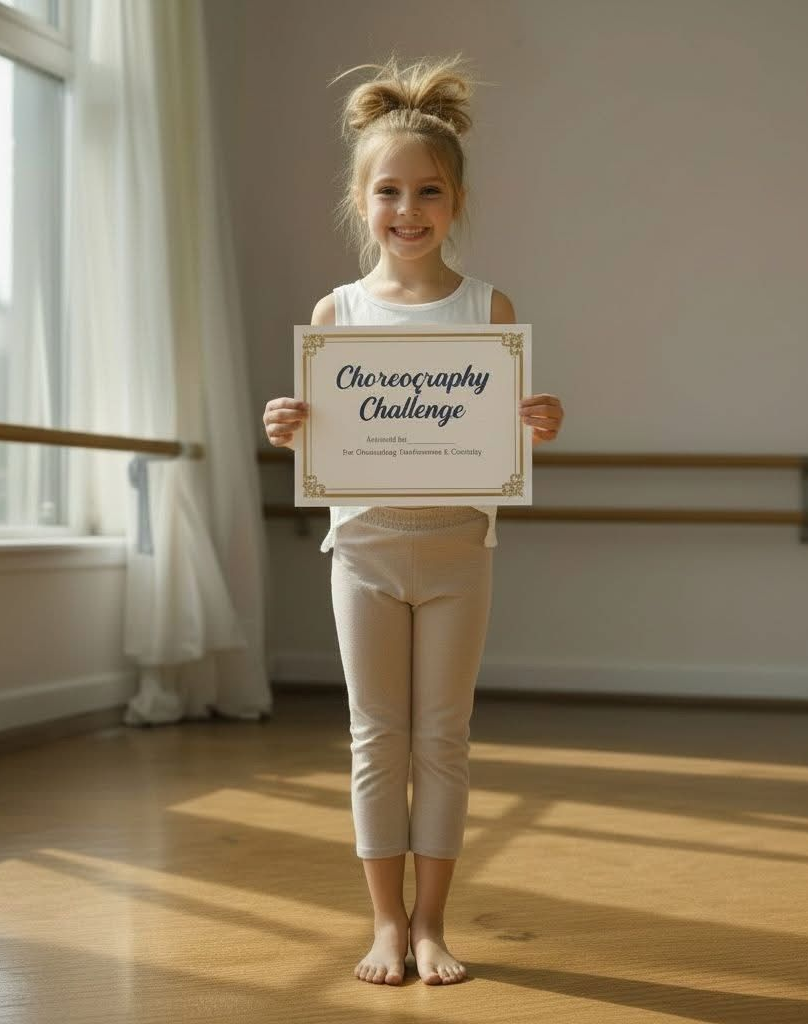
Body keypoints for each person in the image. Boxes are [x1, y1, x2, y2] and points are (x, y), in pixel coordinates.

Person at [262, 53, 565, 987]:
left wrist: (536, 419)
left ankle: (432, 922)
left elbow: (501, 425)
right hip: (363, 551)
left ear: (456, 200)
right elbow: (322, 428)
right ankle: (386, 922)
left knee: (442, 738)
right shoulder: (338, 312)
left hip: (459, 551)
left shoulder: (487, 308)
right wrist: (289, 422)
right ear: (361, 202)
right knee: (374, 738)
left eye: (428, 191)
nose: (408, 208)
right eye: (388, 191)